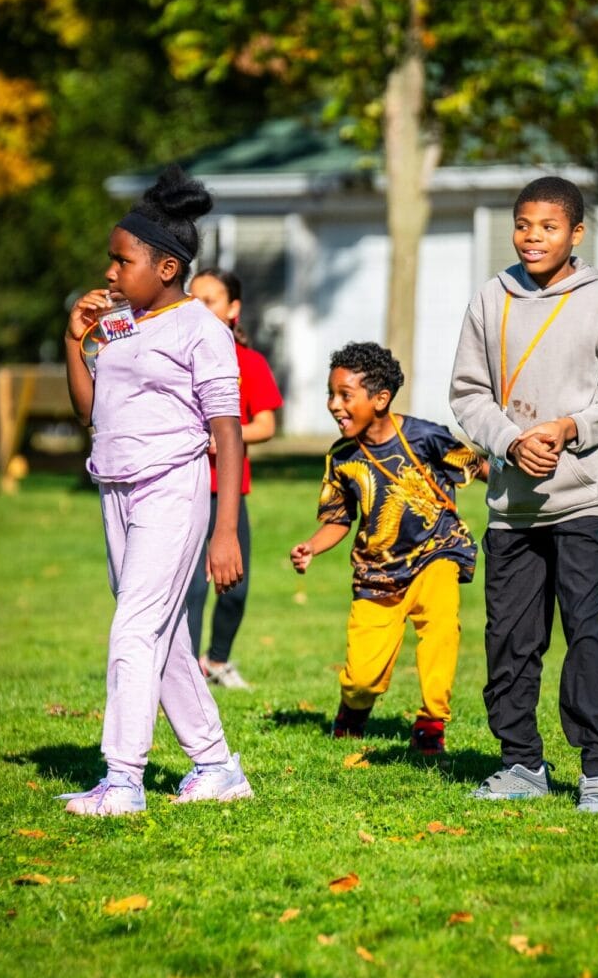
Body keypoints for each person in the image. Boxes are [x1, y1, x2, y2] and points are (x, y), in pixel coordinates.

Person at [450, 175, 598, 812]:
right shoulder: (491, 298)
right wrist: (510, 441)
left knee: (585, 631)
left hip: (585, 501)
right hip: (512, 508)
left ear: (576, 233)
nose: (533, 237)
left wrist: (572, 428)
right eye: (523, 225)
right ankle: (520, 764)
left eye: (548, 226)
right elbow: (467, 393)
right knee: (510, 638)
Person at [60, 165, 253, 815]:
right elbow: (93, 411)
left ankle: (123, 780)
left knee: (133, 629)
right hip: (113, 488)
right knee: (162, 635)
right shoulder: (118, 325)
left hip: (171, 487)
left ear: (166, 268)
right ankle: (216, 766)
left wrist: (225, 531)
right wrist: (73, 341)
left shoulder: (203, 329)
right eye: (110, 262)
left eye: (122, 262)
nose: (110, 274)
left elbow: (228, 434)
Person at [290, 342, 485, 755]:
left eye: (345, 395)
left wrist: (518, 477)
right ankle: (354, 709)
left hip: (437, 552)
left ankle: (431, 722)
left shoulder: (424, 436)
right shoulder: (342, 458)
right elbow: (338, 520)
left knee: (441, 628)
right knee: (363, 675)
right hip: (377, 571)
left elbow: (478, 466)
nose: (334, 405)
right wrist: (312, 546)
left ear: (380, 399)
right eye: (332, 394)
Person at [185, 268, 283, 689]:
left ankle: (217, 662)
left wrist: (225, 436)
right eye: (193, 299)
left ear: (233, 309)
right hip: (184, 491)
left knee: (234, 589)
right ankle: (183, 673)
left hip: (227, 493)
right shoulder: (178, 359)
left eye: (209, 300)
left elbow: (265, 425)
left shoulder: (250, 363)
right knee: (191, 592)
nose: (199, 308)